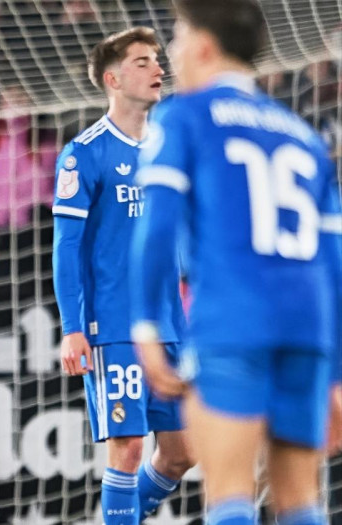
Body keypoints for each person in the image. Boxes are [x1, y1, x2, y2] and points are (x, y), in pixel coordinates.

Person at [130, 1, 342, 523]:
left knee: (230, 497)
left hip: (233, 320)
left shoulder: (184, 116)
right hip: (307, 330)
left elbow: (155, 227)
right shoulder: (304, 137)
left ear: (203, 45)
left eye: (177, 35)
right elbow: (333, 259)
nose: (171, 51)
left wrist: (144, 323)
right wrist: (335, 370)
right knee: (300, 502)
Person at [52, 27, 194, 524]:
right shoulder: (85, 152)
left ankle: (127, 516)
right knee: (128, 447)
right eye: (142, 62)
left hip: (169, 324)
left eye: (157, 59)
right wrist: (72, 327)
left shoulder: (168, 149)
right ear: (113, 79)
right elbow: (66, 247)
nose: (158, 68)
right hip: (113, 325)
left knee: (182, 453)